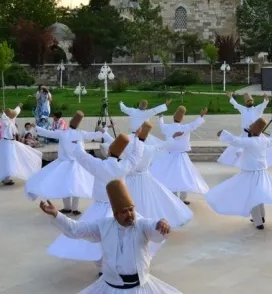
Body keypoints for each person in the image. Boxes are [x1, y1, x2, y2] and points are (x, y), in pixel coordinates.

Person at [40, 179, 179, 293]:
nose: (130, 214)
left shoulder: (141, 224)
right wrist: (56, 215)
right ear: (115, 213)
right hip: (111, 287)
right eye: (124, 211)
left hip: (138, 288)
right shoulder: (103, 225)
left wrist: (162, 223)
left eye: (131, 209)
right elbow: (75, 229)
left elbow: (153, 226)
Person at [47, 133, 142, 268]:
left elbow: (82, 156)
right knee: (118, 237)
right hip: (119, 207)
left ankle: (102, 266)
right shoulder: (123, 166)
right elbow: (135, 157)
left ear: (108, 151)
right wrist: (139, 140)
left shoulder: (99, 165)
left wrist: (79, 141)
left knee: (97, 237)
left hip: (100, 207)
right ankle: (115, 262)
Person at [206, 119, 272, 230]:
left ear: (252, 131)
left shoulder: (248, 141)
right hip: (262, 173)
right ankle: (261, 218)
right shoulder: (264, 140)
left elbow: (234, 140)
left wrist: (222, 133)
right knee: (259, 194)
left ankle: (258, 222)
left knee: (253, 196)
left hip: (250, 174)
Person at [27, 111, 101, 216]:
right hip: (77, 164)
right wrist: (104, 129)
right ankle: (74, 208)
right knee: (76, 185)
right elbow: (92, 135)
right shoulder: (80, 133)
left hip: (64, 164)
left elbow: (48, 133)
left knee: (64, 185)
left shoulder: (63, 133)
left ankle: (67, 207)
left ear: (70, 123)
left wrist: (36, 127)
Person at [124, 121, 193, 229]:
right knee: (149, 200)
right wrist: (173, 137)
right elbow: (165, 145)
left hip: (130, 178)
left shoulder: (129, 146)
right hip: (144, 177)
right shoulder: (150, 149)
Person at [150, 107, 210, 205]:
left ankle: (173, 197)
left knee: (171, 176)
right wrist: (201, 116)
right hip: (181, 156)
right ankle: (182, 198)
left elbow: (161, 126)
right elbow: (195, 124)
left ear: (173, 117)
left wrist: (160, 116)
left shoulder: (168, 127)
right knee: (183, 176)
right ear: (182, 118)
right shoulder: (184, 128)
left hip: (170, 156)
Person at [219, 92, 272, 167]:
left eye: (251, 101)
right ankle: (242, 165)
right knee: (241, 151)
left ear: (253, 101)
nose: (249, 102)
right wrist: (231, 97)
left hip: (255, 134)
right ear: (245, 102)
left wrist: (266, 99)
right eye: (248, 101)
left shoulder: (257, 109)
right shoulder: (243, 109)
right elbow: (236, 105)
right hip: (245, 134)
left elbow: (264, 104)